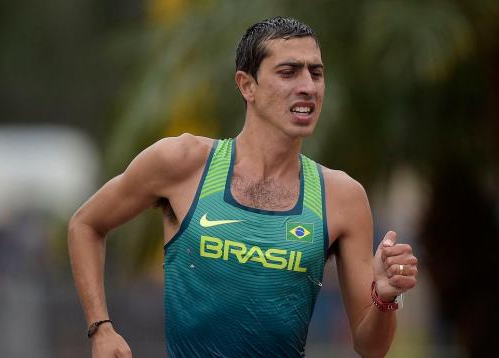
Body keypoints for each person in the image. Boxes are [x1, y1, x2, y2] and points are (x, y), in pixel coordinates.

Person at [68, 16, 418, 358]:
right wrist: (100, 328)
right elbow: (85, 224)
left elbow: (371, 347)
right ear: (246, 85)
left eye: (316, 72)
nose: (308, 87)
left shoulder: (342, 196)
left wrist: (385, 298)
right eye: (288, 72)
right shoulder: (183, 163)